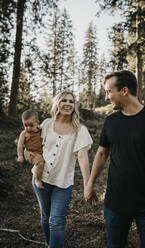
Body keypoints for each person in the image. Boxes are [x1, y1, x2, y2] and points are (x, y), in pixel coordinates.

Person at [85, 70, 145, 248]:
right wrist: (90, 183)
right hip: (115, 205)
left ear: (124, 90)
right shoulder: (111, 121)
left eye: (109, 91)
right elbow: (102, 153)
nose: (106, 97)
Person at [25, 91, 93, 248]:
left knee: (56, 221)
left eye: (71, 101)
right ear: (57, 103)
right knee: (45, 216)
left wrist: (87, 184)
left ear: (74, 106)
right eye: (64, 100)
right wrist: (28, 153)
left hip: (63, 183)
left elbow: (83, 157)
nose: (68, 104)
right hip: (40, 179)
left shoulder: (80, 130)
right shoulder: (47, 124)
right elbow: (33, 142)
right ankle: (49, 244)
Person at [17, 109, 44, 189]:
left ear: (37, 122)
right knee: (40, 163)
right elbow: (20, 145)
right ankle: (37, 180)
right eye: (25, 125)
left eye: (31, 125)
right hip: (31, 153)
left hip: (40, 151)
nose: (28, 128)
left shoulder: (40, 130)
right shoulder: (24, 133)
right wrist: (20, 155)